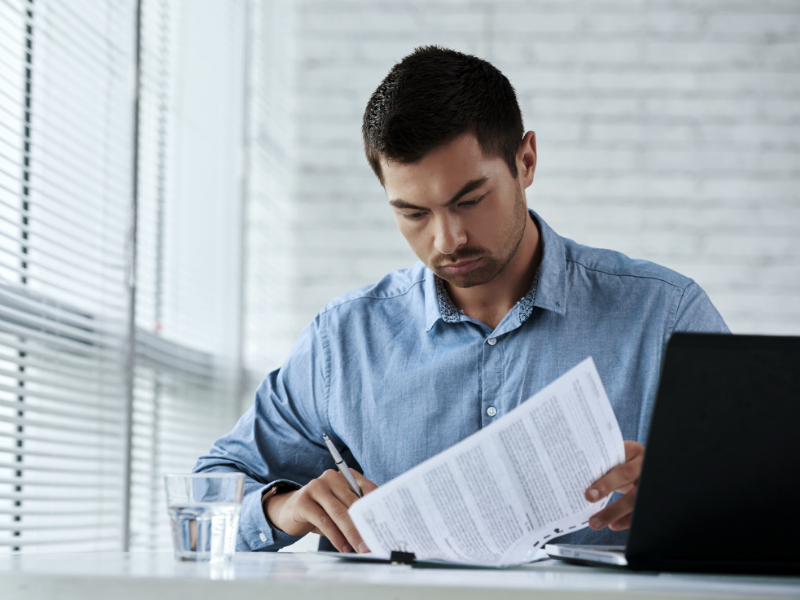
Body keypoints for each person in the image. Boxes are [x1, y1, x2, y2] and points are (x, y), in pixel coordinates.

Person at [195, 46, 728, 555]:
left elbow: (764, 489)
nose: (447, 239)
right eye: (413, 213)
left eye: (469, 200)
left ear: (526, 161)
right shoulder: (344, 341)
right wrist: (281, 507)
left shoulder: (664, 316)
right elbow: (208, 491)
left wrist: (687, 492)